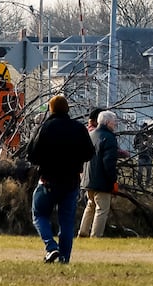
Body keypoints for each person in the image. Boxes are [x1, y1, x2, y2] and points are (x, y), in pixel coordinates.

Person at [25, 94, 95, 264]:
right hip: (71, 182)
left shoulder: (44, 128)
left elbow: (31, 155)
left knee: (39, 214)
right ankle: (64, 258)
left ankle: (51, 247)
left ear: (51, 109)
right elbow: (89, 153)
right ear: (67, 109)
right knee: (67, 223)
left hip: (48, 180)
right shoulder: (78, 128)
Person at [78, 110, 127, 238]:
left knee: (90, 205)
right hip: (102, 181)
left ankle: (83, 232)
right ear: (107, 122)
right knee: (102, 209)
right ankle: (96, 236)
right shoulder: (109, 138)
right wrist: (113, 181)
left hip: (88, 179)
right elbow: (109, 162)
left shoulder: (90, 135)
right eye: (114, 122)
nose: (115, 124)